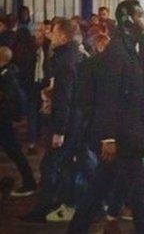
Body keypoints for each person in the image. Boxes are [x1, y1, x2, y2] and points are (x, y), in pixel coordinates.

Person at [69, 0, 144, 234]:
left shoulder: (131, 50)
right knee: (138, 194)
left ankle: (76, 229)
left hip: (128, 133)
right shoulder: (117, 53)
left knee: (98, 188)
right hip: (122, 135)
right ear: (127, 19)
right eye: (141, 16)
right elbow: (110, 97)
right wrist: (108, 138)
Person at [22, 17, 83, 223]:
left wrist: (59, 130)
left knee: (51, 165)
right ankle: (66, 202)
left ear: (63, 36)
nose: (50, 35)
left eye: (53, 32)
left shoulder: (64, 61)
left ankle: (50, 206)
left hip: (68, 123)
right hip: (75, 122)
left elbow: (65, 97)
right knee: (67, 164)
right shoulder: (72, 55)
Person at [0, 45, 37, 197]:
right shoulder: (9, 73)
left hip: (3, 120)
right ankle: (29, 181)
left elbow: (6, 98)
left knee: (14, 151)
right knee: (14, 151)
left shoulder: (6, 76)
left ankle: (29, 182)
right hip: (4, 119)